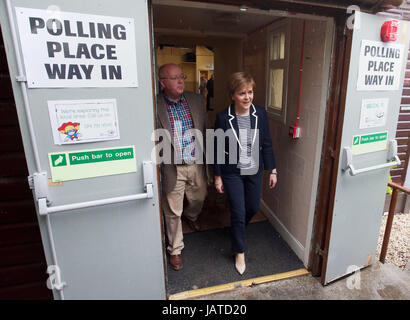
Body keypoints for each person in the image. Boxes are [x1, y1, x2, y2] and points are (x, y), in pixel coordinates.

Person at [213, 72, 277, 275]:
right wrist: (217, 175)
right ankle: (239, 250)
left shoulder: (260, 113)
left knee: (252, 207)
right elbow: (216, 148)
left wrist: (272, 169)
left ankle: (237, 228)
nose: (247, 97)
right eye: (242, 93)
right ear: (232, 95)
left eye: (250, 92)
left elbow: (266, 143)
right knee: (238, 212)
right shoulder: (223, 117)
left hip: (254, 169)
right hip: (232, 172)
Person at [156, 63, 208, 271]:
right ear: (162, 83)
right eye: (174, 77)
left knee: (199, 197)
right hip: (172, 166)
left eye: (182, 77)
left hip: (196, 161)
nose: (180, 81)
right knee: (172, 210)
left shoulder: (196, 100)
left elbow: (206, 127)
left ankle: (192, 216)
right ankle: (175, 249)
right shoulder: (154, 104)